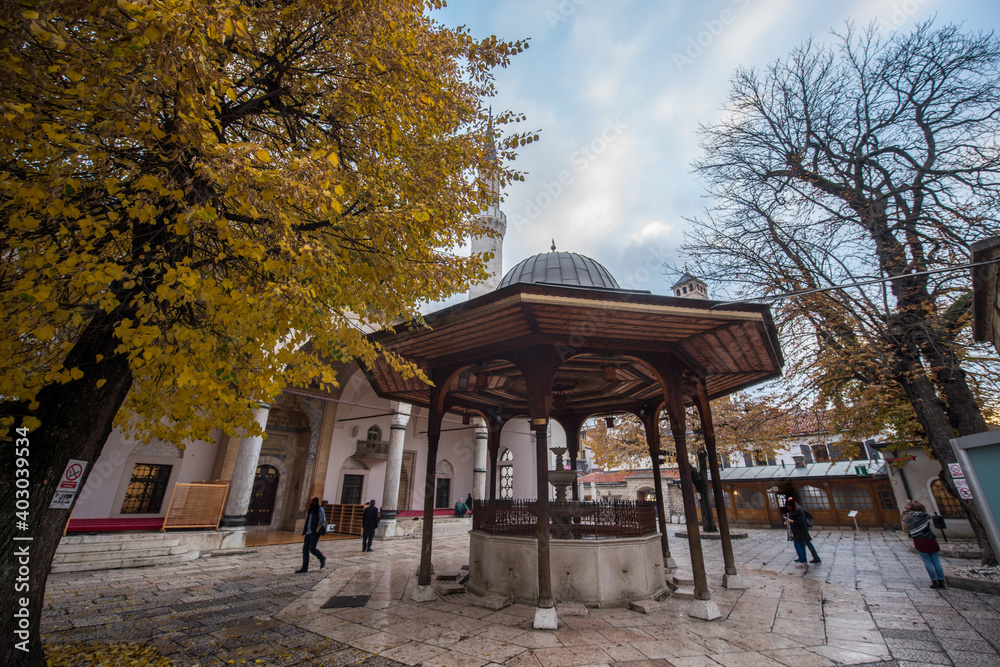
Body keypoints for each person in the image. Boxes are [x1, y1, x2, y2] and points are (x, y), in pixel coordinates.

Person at [902, 500, 946, 589]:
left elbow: (903, 518)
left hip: (920, 540)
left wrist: (905, 510)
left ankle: (934, 581)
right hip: (931, 539)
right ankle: (941, 581)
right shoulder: (926, 515)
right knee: (936, 561)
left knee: (927, 561)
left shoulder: (909, 518)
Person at [785, 497, 821, 566]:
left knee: (801, 545)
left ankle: (803, 560)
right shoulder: (797, 509)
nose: (788, 506)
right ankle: (803, 559)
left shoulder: (797, 510)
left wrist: (792, 521)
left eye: (789, 504)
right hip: (801, 530)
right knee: (803, 545)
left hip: (799, 531)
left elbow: (801, 521)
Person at [295, 497, 326, 573]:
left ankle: (322, 558)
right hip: (308, 532)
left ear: (314, 501)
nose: (309, 502)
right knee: (305, 550)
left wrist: (317, 529)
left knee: (312, 549)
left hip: (314, 532)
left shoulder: (319, 509)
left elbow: (322, 520)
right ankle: (304, 568)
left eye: (311, 501)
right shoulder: (311, 510)